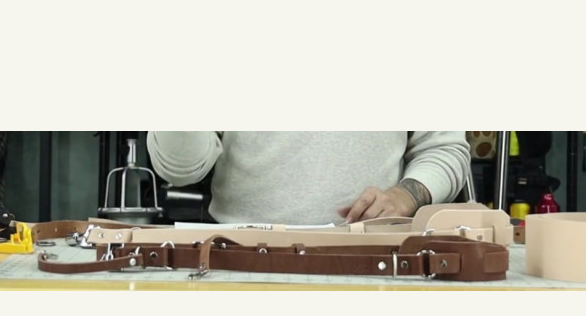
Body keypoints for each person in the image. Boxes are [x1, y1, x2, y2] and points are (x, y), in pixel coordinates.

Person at [147, 131, 471, 225]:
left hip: (372, 258)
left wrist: (405, 196)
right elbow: (180, 171)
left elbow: (444, 148)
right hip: (235, 259)